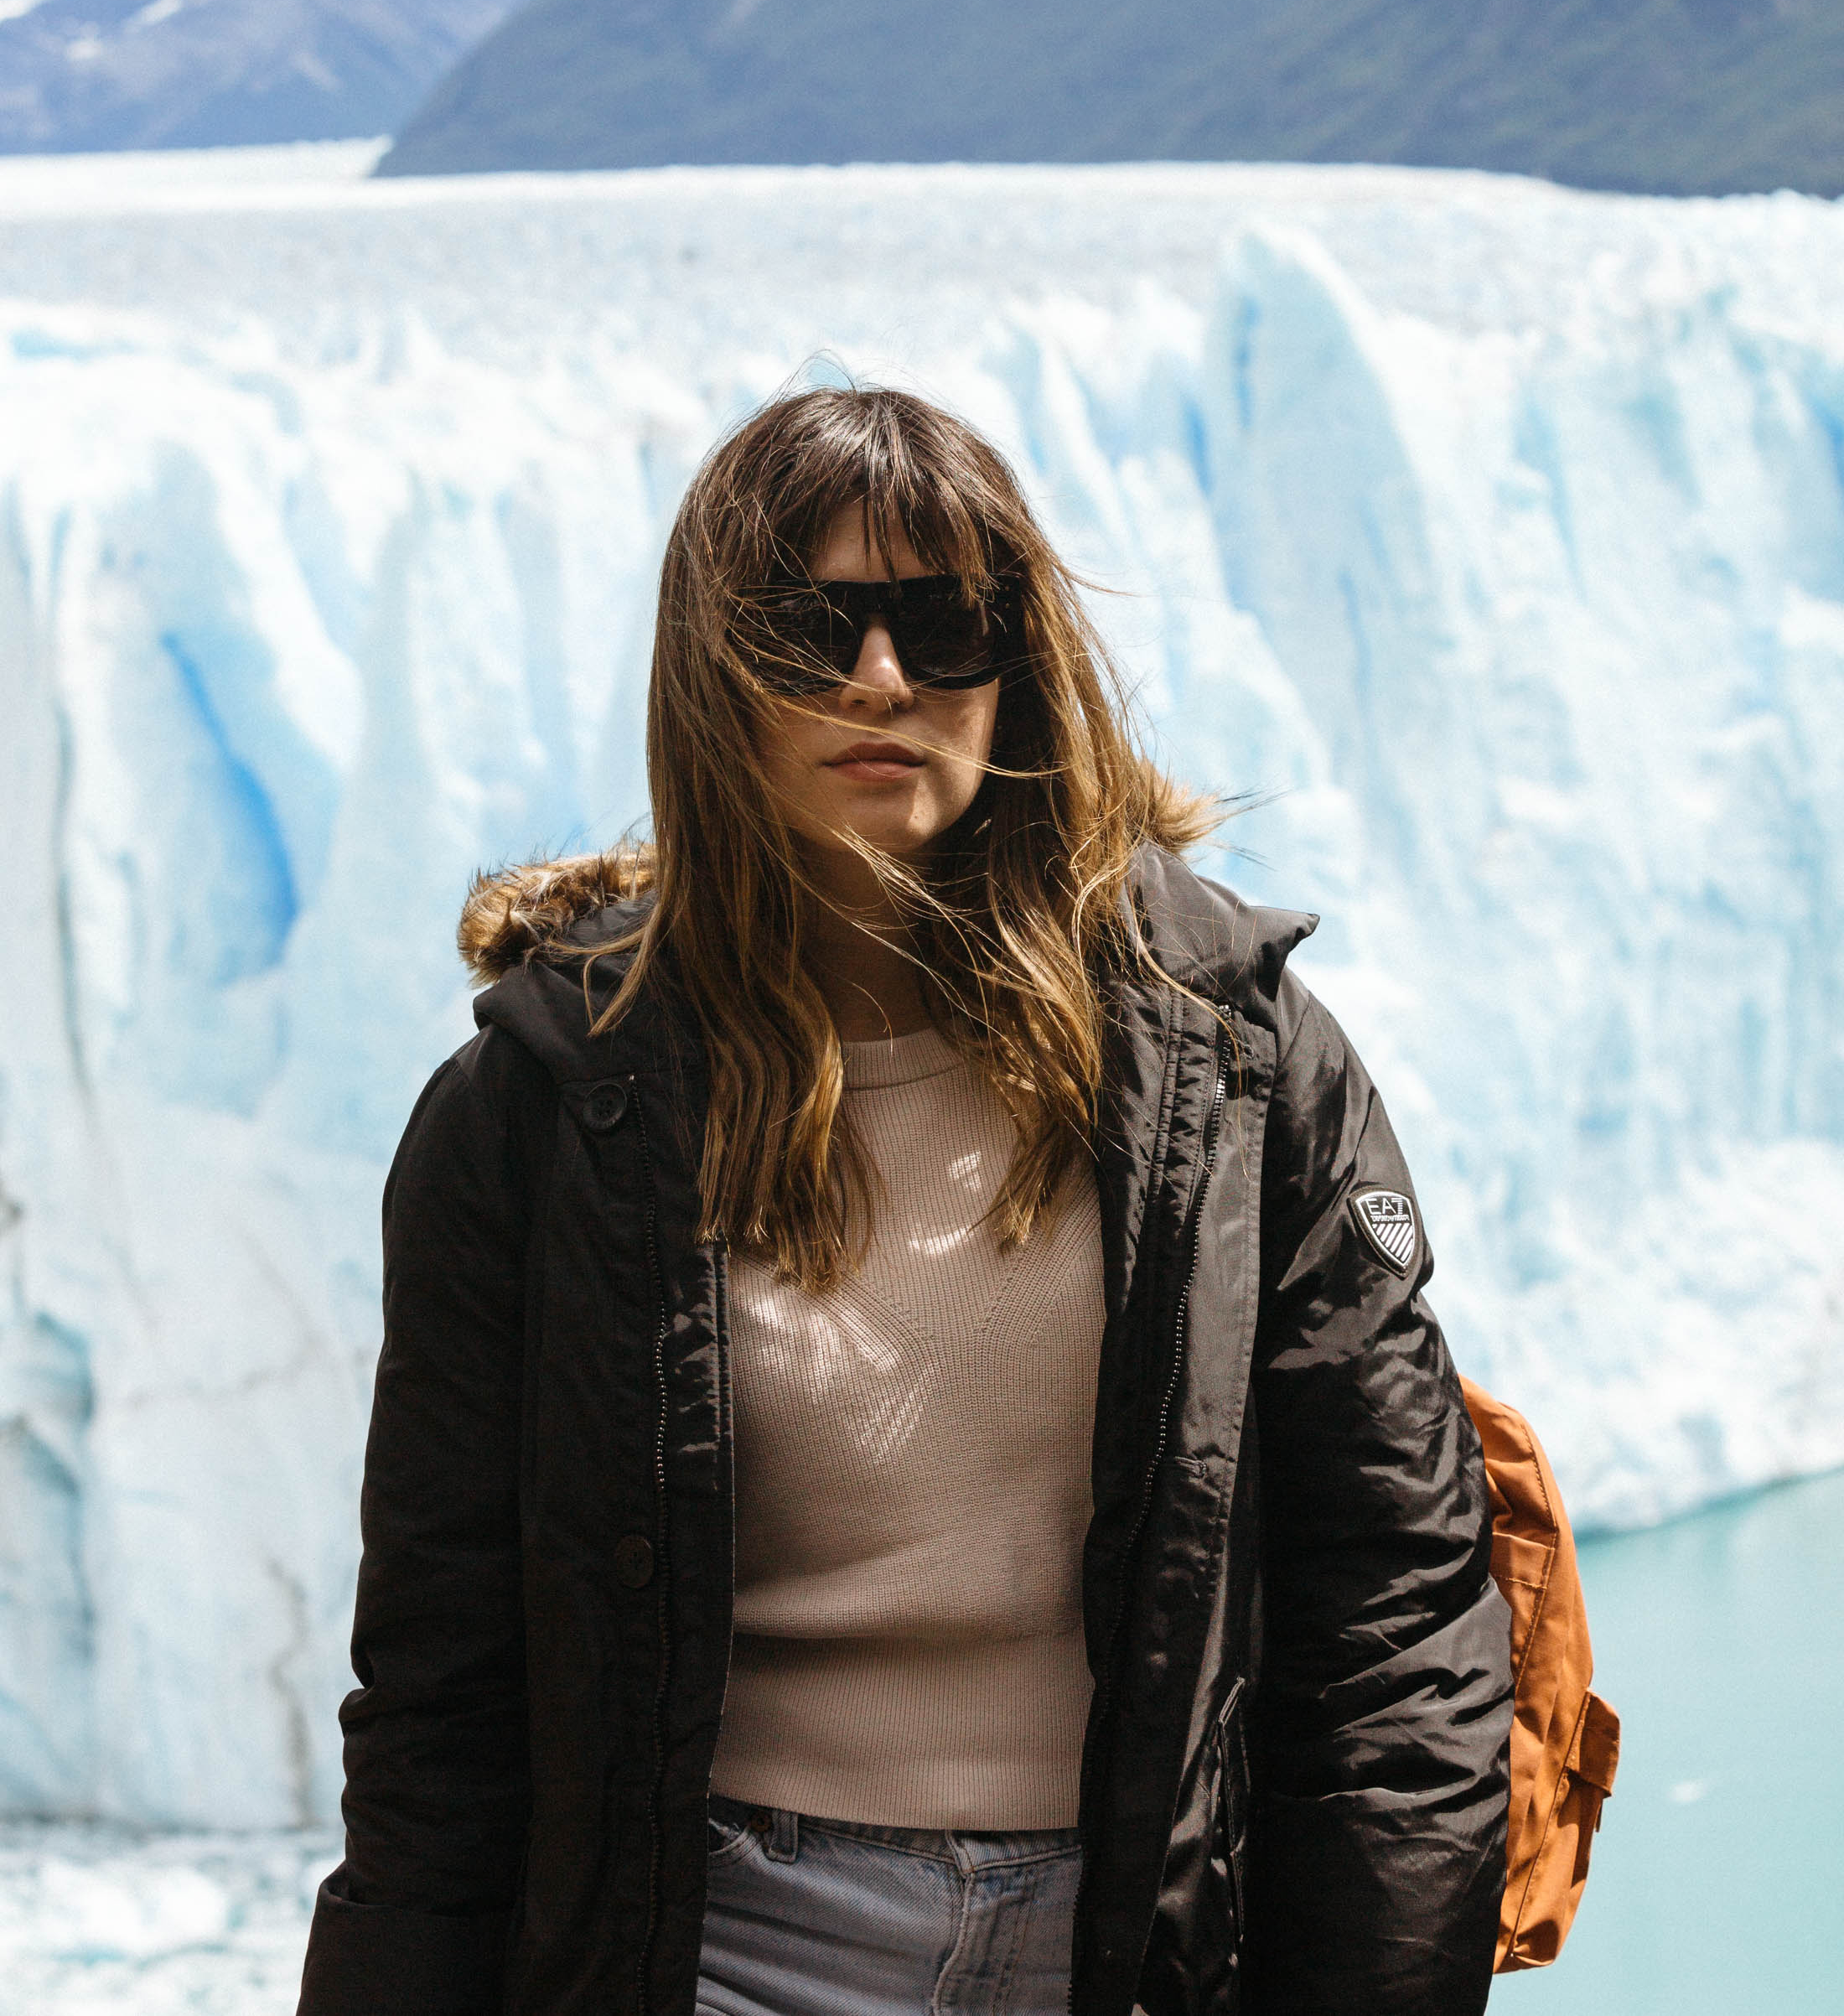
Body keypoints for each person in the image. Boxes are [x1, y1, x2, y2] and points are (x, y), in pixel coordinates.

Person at [298, 383, 1512, 2016]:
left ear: (1019, 668)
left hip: (1137, 1945)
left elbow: (1396, 1614)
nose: (881, 678)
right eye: (808, 625)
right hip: (720, 1954)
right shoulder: (545, 1112)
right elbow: (443, 1688)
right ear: (714, 670)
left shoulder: (1229, 1065)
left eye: (943, 621)